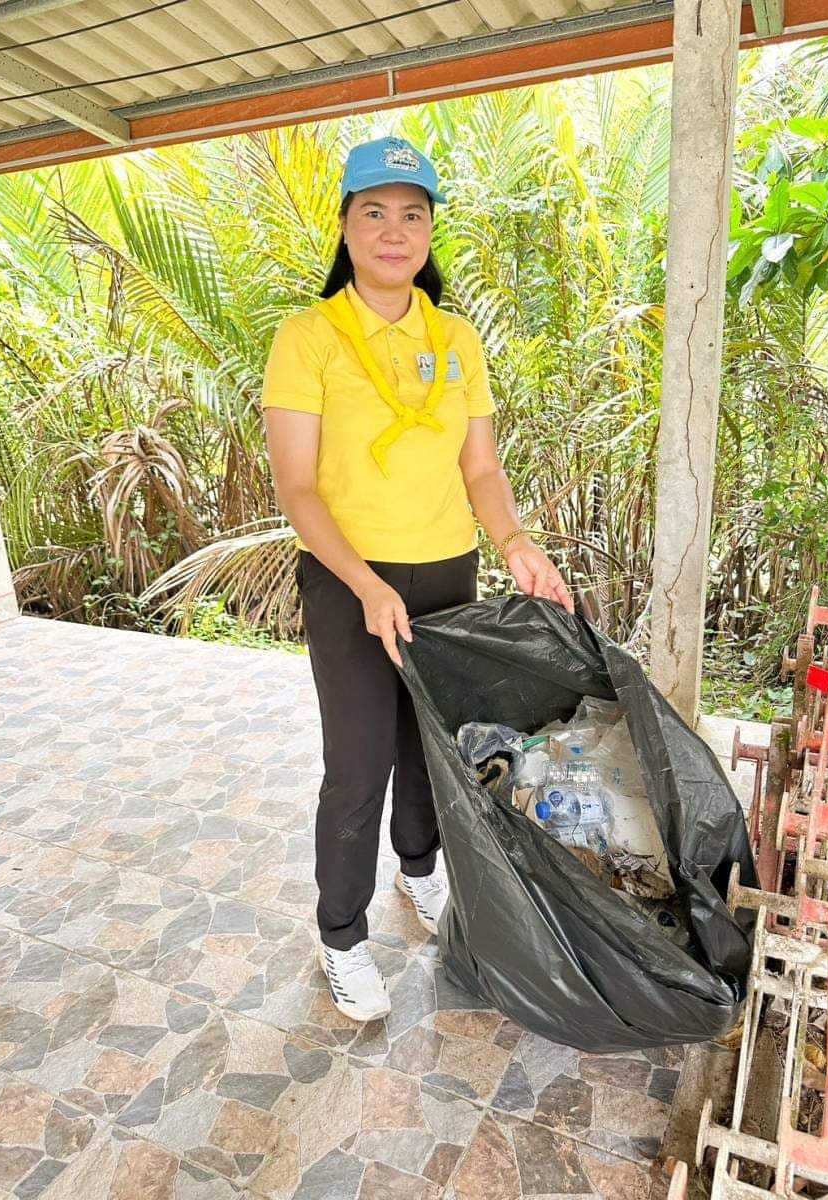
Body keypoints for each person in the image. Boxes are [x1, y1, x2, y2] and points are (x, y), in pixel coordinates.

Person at [261, 135, 574, 1023]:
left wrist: (513, 541)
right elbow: (298, 486)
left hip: (446, 571)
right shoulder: (309, 337)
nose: (394, 231)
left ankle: (422, 870)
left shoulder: (457, 337)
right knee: (357, 764)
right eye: (375, 212)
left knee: (431, 750)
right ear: (347, 227)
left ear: (430, 232)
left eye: (413, 215)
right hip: (347, 579)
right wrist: (363, 585)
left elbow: (480, 468)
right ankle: (342, 937)